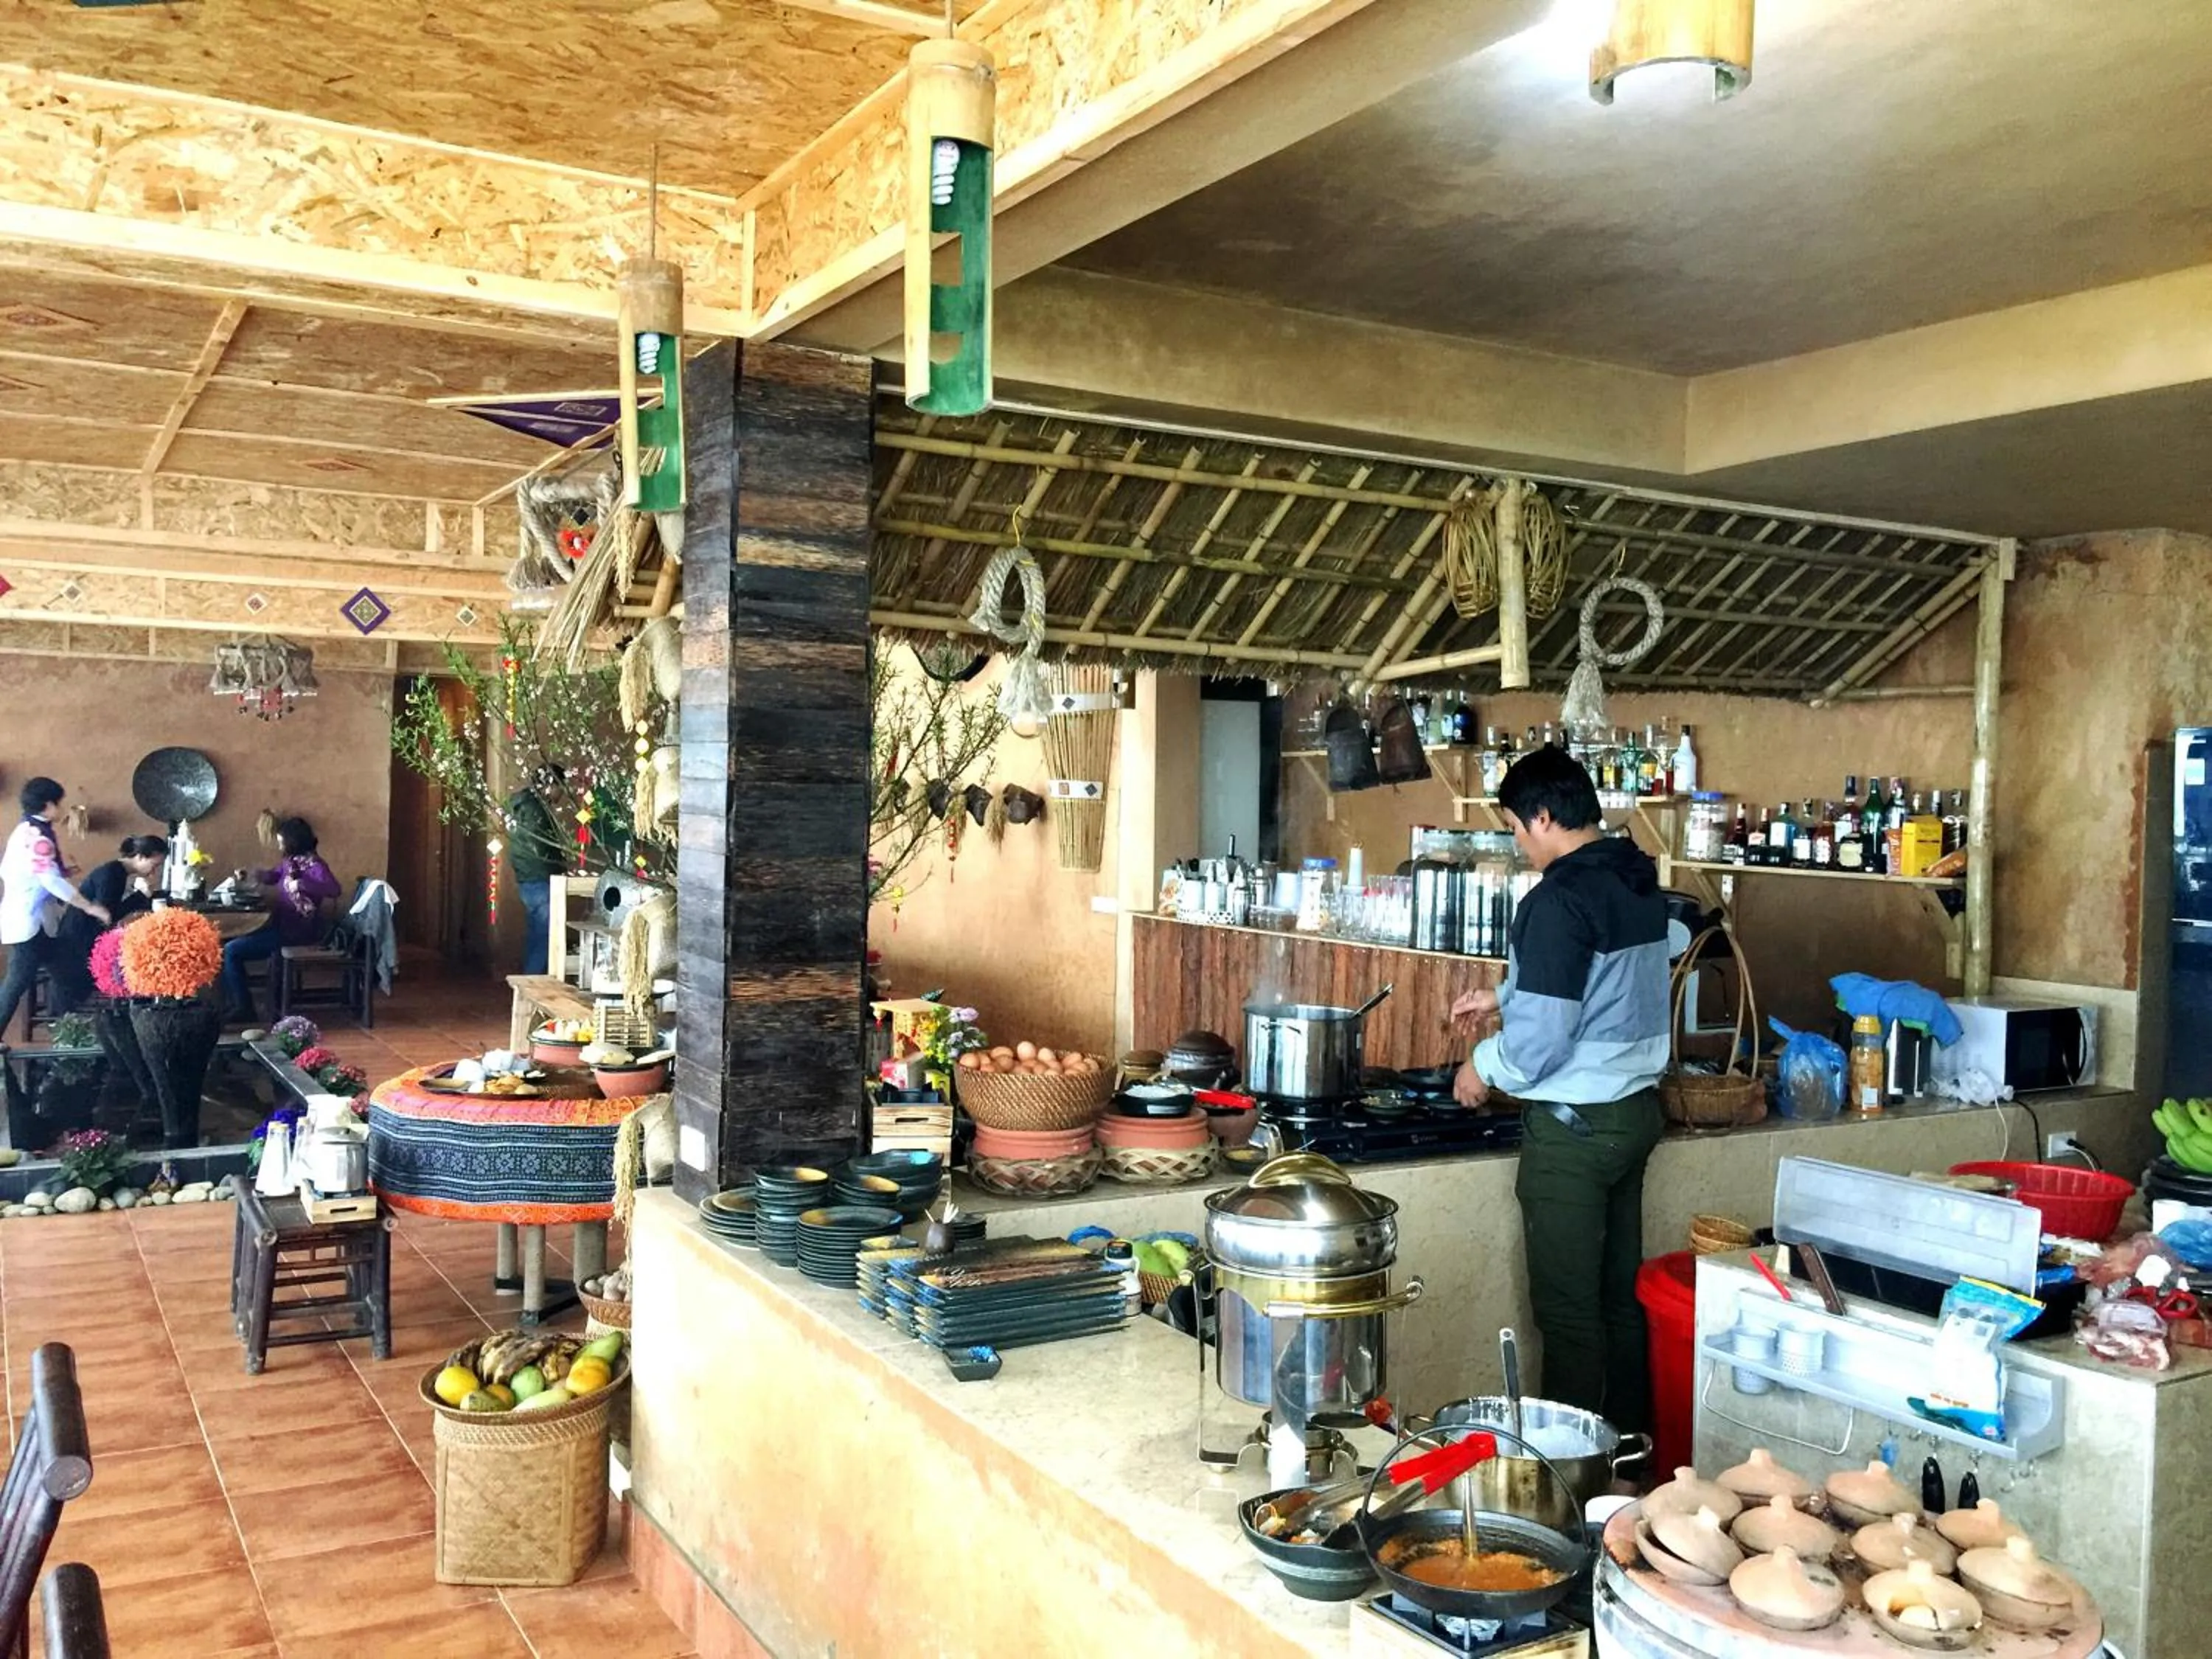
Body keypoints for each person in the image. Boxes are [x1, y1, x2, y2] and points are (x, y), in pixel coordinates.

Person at [1452, 745, 1669, 1432]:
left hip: (1576, 1131)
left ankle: (1568, 1484)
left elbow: (1542, 1046)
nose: (1518, 844)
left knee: (1569, 1315)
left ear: (1543, 817)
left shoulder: (1557, 899)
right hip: (1633, 1114)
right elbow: (1601, 986)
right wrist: (1504, 994)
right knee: (1618, 1302)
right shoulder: (1637, 877)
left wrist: (1482, 1065)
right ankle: (1631, 1459)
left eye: (1517, 828)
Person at [0, 779, 111, 1041]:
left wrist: (60, 873)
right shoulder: (39, 838)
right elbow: (50, 881)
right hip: (29, 923)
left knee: (70, 971)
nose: (61, 808)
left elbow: (29, 872)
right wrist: (90, 907)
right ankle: (71, 1031)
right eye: (58, 803)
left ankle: (72, 1032)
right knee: (17, 983)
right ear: (48, 805)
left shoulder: (25, 830)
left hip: (36, 921)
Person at [220, 816, 341, 1022]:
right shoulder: (291, 862)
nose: (279, 845)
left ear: (293, 841)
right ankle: (238, 1004)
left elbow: (334, 889)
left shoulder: (316, 866)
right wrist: (254, 874)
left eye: (281, 841)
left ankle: (243, 1008)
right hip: (283, 929)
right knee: (228, 945)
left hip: (297, 934)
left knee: (231, 951)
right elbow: (274, 876)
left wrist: (304, 885)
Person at [505, 765, 568, 977]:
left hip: (527, 878)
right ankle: (534, 985)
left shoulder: (520, 807)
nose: (563, 794)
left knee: (536, 935)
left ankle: (529, 982)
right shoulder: (536, 810)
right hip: (542, 878)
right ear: (550, 785)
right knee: (546, 937)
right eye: (562, 787)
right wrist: (561, 866)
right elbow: (541, 847)